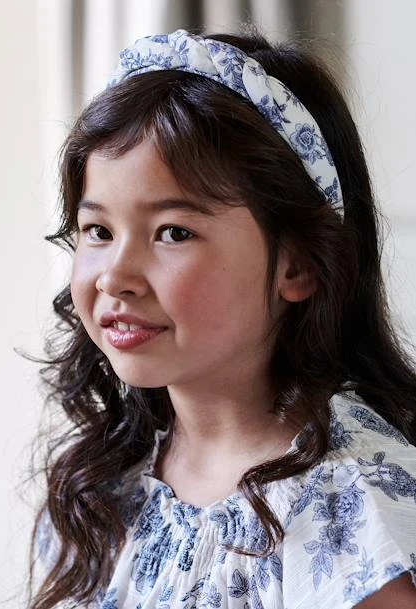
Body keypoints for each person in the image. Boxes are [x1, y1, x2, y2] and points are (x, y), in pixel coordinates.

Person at [29, 29, 416, 609]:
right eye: (98, 231)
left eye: (173, 233)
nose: (114, 276)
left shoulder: (351, 511)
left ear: (298, 265)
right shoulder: (101, 483)